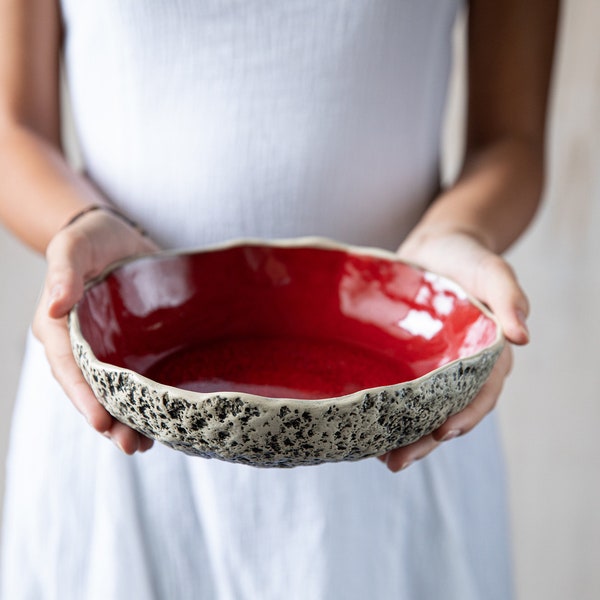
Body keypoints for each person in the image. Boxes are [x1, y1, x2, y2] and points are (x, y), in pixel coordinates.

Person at [0, 1, 558, 598]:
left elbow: (511, 139)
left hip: (403, 420)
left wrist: (459, 235)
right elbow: (14, 128)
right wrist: (79, 224)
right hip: (117, 405)